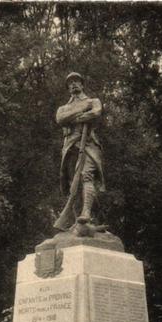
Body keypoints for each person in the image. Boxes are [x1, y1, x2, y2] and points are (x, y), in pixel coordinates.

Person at [54, 72, 105, 231]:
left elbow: (96, 113)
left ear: (82, 85)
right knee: (72, 184)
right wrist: (82, 111)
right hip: (70, 146)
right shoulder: (63, 108)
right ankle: (77, 222)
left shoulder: (93, 101)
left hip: (88, 144)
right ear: (68, 88)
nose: (73, 84)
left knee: (86, 175)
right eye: (70, 83)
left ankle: (87, 213)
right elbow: (60, 119)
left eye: (76, 81)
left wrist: (75, 117)